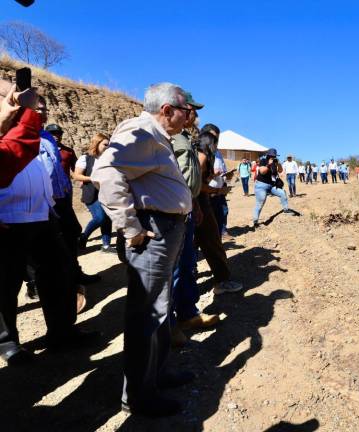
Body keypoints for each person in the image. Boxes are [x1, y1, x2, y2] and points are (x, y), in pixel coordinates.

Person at [91, 82, 194, 417]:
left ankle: (156, 374)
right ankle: (138, 394)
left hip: (166, 229)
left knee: (160, 310)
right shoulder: (141, 132)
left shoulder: (156, 136)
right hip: (153, 232)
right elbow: (106, 171)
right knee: (147, 315)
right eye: (185, 109)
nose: (189, 115)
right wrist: (130, 227)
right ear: (166, 109)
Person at [1, 83, 100, 366]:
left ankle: (62, 332)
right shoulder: (4, 129)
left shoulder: (40, 136)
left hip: (42, 216)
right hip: (8, 219)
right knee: (5, 285)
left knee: (61, 273)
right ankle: (8, 344)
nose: (38, 110)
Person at [170, 96, 220, 347]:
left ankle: (188, 315)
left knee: (188, 265)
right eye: (191, 110)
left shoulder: (185, 138)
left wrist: (197, 204)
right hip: (172, 214)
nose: (194, 116)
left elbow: (189, 179)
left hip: (188, 210)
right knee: (175, 270)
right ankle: (168, 328)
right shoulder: (165, 137)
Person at [195, 129, 244, 295]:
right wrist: (215, 191)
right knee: (213, 242)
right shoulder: (202, 157)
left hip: (198, 202)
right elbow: (196, 185)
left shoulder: (199, 155)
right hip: (199, 202)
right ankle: (222, 281)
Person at [73, 133, 114, 253]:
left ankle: (106, 245)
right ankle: (83, 237)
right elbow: (76, 175)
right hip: (91, 194)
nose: (107, 147)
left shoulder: (110, 159)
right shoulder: (85, 158)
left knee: (107, 218)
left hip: (106, 193)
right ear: (97, 143)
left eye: (109, 145)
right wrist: (93, 178)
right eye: (105, 144)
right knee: (100, 217)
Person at [251, 148, 300, 227]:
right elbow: (262, 172)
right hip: (261, 186)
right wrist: (269, 164)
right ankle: (255, 222)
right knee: (260, 203)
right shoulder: (263, 161)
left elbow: (280, 171)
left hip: (271, 185)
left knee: (282, 193)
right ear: (268, 155)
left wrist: (278, 164)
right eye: (271, 156)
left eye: (274, 156)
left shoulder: (274, 163)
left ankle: (286, 209)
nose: (273, 157)